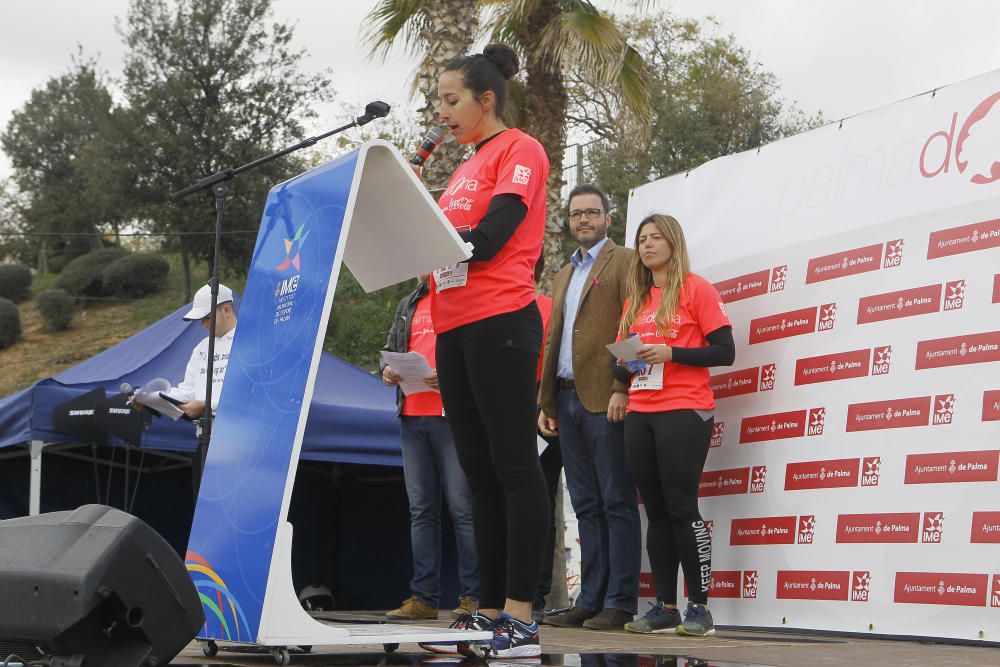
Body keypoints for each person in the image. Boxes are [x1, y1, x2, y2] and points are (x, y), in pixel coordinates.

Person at [419, 43, 550, 658]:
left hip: (502, 318)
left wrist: (437, 238)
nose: (442, 112)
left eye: (451, 100)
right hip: (453, 326)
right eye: (439, 102)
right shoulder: (463, 167)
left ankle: (522, 616)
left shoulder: (520, 149)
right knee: (477, 475)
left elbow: (492, 238)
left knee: (515, 468)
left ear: (486, 99)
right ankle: (490, 609)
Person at [614, 214, 735, 637]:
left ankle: (699, 607)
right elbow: (628, 357)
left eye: (655, 238)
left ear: (673, 243)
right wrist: (619, 386)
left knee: (683, 507)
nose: (646, 246)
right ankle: (666, 606)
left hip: (685, 409)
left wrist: (673, 353)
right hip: (641, 411)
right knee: (657, 512)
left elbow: (725, 352)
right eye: (642, 239)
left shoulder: (696, 289)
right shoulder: (637, 298)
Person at [537, 185, 641, 631]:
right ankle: (591, 599)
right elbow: (554, 339)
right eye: (576, 214)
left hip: (605, 395)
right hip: (565, 396)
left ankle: (619, 601)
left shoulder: (625, 261)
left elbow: (637, 320)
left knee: (616, 501)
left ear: (608, 218)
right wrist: (546, 401)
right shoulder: (563, 274)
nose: (584, 220)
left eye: (592, 212)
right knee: (584, 504)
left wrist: (623, 382)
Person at [379, 275, 479, 623]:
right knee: (421, 510)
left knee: (462, 508)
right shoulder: (410, 301)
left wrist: (452, 373)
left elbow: (479, 352)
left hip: (451, 415)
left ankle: (474, 597)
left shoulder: (464, 296)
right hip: (411, 413)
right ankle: (424, 598)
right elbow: (389, 350)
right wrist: (388, 370)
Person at [531, 256, 562, 622]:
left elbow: (555, 361)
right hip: (505, 405)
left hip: (540, 403)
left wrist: (545, 403)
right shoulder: (494, 308)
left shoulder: (548, 308)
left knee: (540, 496)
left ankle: (534, 591)